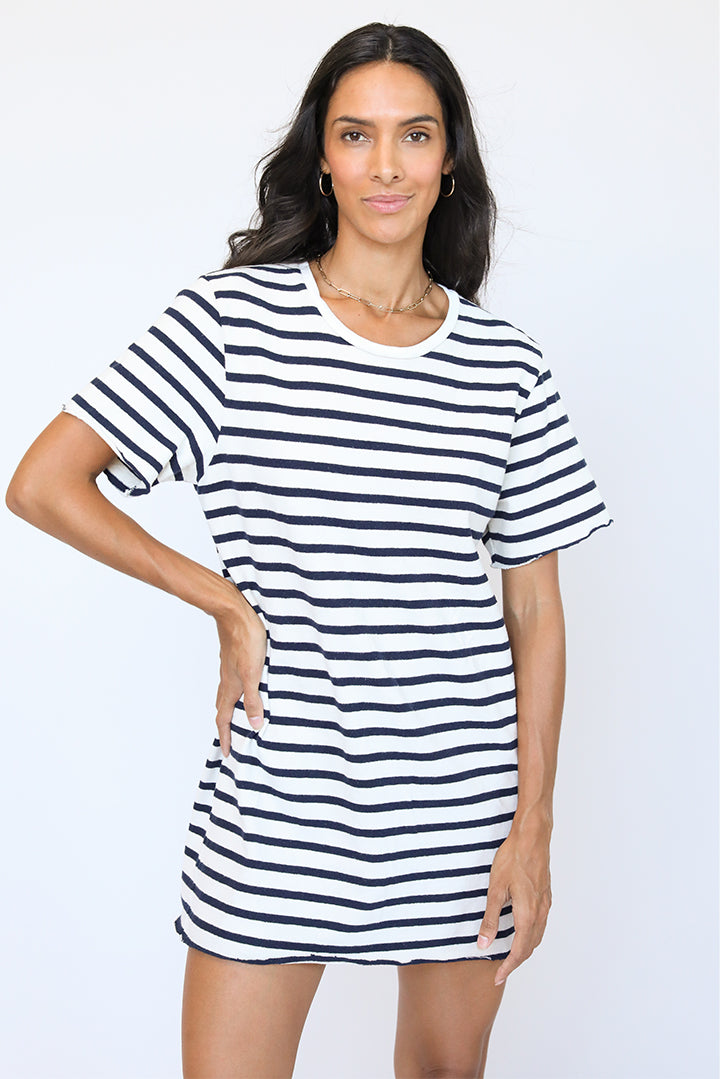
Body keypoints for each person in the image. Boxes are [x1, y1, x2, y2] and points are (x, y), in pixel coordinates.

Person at [5, 21, 614, 1079]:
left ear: (450, 159)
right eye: (356, 135)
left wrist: (533, 827)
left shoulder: (505, 366)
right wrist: (222, 599)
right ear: (322, 157)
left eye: (415, 135)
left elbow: (535, 611)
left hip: (459, 802)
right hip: (279, 793)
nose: (387, 166)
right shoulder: (230, 324)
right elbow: (43, 482)